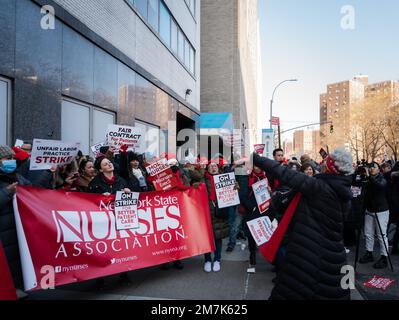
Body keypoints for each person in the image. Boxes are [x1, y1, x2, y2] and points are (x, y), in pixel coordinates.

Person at [253, 148, 353, 300]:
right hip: (333, 255)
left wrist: (255, 158)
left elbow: (283, 173)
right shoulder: (343, 193)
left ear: (329, 167)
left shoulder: (319, 188)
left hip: (307, 254)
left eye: (325, 163)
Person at [88, 156, 131, 288]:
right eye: (105, 164)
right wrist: (99, 196)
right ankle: (100, 278)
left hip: (119, 219)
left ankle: (123, 274)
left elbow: (131, 198)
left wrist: (128, 192)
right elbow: (88, 201)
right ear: (101, 169)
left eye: (110, 163)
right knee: (103, 248)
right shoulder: (95, 183)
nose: (109, 165)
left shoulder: (121, 180)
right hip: (102, 221)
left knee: (121, 247)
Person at [0, 145, 31, 297]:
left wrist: (49, 173)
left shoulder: (18, 177)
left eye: (13, 158)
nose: (12, 161)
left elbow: (35, 192)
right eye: (8, 158)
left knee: (16, 261)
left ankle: (18, 288)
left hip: (17, 229)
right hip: (3, 232)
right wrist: (7, 192)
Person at [359, 162, 390, 269]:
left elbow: (379, 186)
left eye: (374, 167)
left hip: (381, 210)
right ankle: (369, 253)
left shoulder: (382, 178)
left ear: (379, 169)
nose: (371, 168)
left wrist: (369, 176)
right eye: (370, 167)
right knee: (368, 233)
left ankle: (384, 257)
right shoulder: (367, 178)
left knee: (381, 235)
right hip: (369, 210)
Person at [239, 165, 268, 270]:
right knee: (252, 234)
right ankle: (252, 254)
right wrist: (251, 207)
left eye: (259, 166)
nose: (258, 168)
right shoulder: (247, 178)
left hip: (263, 209)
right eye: (255, 166)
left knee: (262, 231)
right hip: (251, 210)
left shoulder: (265, 177)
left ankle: (263, 252)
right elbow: (242, 195)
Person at [203, 162, 229, 273]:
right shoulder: (203, 179)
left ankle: (217, 259)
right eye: (211, 166)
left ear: (218, 168)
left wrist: (235, 187)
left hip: (219, 211)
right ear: (207, 169)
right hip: (206, 211)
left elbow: (231, 194)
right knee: (207, 238)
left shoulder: (224, 178)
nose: (213, 168)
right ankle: (207, 260)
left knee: (218, 237)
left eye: (215, 166)